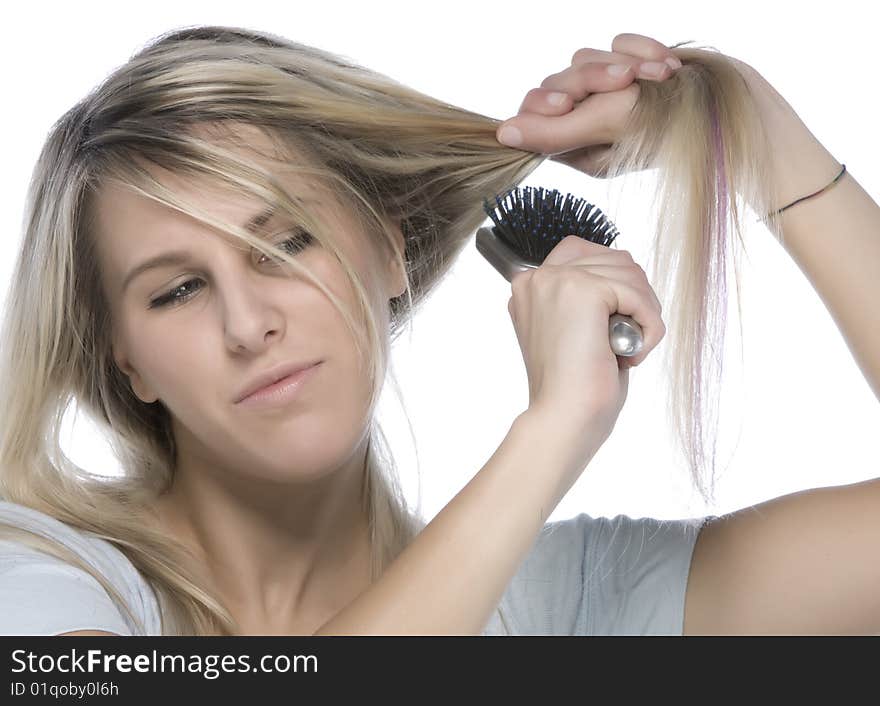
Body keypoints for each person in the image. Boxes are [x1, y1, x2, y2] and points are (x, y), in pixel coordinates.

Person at [0, 25, 877, 636]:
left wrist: (766, 143)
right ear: (126, 362)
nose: (249, 323)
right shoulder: (39, 580)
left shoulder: (561, 606)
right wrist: (551, 434)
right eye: (179, 289)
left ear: (391, 251)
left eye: (288, 242)